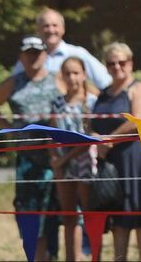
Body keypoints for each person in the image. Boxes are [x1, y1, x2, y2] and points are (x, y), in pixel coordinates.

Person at [0, 36, 66, 262]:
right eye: (28, 52)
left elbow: (81, 97)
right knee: (28, 213)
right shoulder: (14, 82)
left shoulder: (57, 80)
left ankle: (53, 256)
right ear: (21, 56)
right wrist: (9, 129)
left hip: (56, 158)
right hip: (26, 161)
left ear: (45, 55)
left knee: (54, 213)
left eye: (37, 52)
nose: (33, 57)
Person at [88, 43, 141, 262]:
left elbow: (138, 120)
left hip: (135, 158)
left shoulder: (139, 88)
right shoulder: (104, 94)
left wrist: (109, 139)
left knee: (140, 215)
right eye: (111, 63)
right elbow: (92, 122)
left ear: (130, 63)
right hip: (111, 161)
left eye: (121, 62)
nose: (117, 66)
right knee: (118, 216)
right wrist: (93, 137)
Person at [51, 57, 96, 262]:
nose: (72, 78)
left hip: (86, 163)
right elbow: (52, 135)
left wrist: (65, 159)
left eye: (76, 73)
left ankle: (93, 255)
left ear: (84, 74)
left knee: (89, 214)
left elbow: (88, 138)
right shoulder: (57, 103)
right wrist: (56, 161)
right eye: (67, 73)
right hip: (63, 166)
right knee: (69, 216)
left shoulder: (91, 102)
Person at [13, 7, 112, 91]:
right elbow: (11, 85)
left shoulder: (78, 54)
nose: (51, 30)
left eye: (55, 25)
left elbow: (105, 82)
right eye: (46, 26)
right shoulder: (29, 58)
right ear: (38, 30)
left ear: (63, 29)